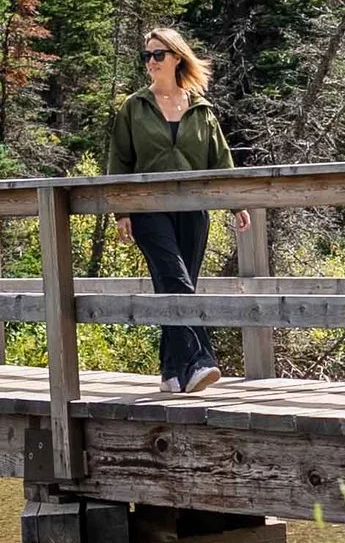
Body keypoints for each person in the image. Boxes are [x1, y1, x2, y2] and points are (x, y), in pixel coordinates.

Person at [103, 27, 251, 395]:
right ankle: (201, 359)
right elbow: (119, 161)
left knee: (174, 285)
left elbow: (221, 162)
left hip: (193, 210)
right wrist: (121, 210)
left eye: (158, 55)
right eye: (146, 56)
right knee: (175, 278)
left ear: (177, 58)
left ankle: (172, 372)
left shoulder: (201, 110)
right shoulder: (134, 107)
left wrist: (236, 203)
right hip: (147, 209)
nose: (150, 62)